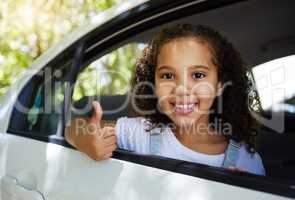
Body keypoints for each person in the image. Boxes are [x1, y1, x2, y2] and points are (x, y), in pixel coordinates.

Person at [65, 24, 265, 175]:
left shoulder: (247, 160)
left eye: (197, 75)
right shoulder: (141, 133)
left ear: (220, 84)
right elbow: (72, 128)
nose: (181, 89)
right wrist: (87, 139)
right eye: (168, 76)